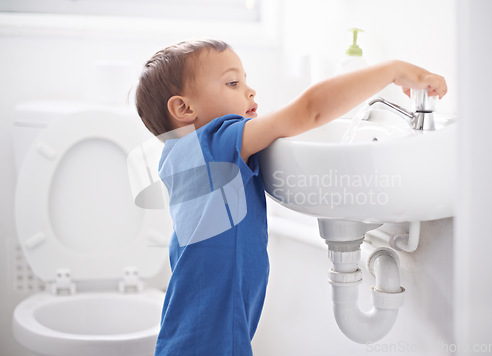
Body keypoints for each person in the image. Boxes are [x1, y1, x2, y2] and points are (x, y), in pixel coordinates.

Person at [135, 39, 447, 356]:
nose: (250, 91)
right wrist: (394, 71)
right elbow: (310, 111)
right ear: (184, 109)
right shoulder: (215, 141)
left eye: (245, 81)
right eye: (232, 83)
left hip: (189, 331)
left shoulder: (180, 156)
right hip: (209, 341)